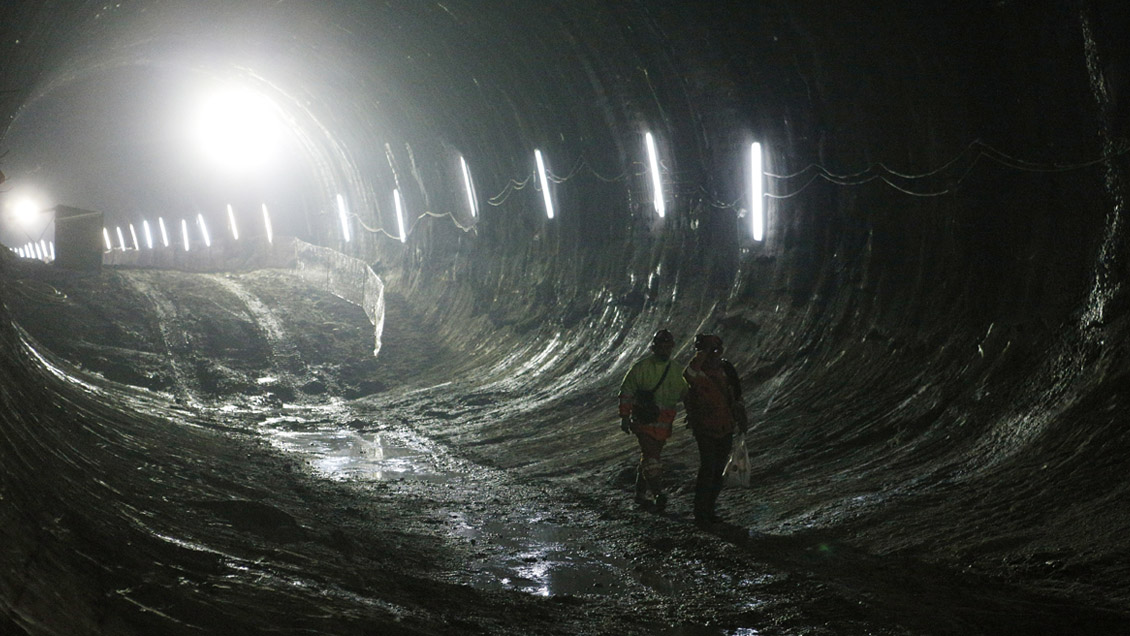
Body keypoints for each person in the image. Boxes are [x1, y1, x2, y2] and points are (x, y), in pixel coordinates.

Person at [618, 329, 688, 510]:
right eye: (661, 346)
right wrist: (625, 417)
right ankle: (658, 494)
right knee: (652, 459)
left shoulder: (677, 371)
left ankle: (639, 494)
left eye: (667, 346)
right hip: (643, 422)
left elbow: (688, 395)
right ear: (654, 347)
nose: (665, 350)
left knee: (650, 458)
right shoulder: (641, 368)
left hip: (664, 425)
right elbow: (626, 392)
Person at [683, 333, 746, 526]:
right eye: (711, 349)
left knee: (718, 470)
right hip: (704, 427)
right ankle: (701, 512)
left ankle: (709, 510)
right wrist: (703, 353)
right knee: (708, 468)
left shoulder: (726, 369)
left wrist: (741, 419)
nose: (715, 353)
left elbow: (736, 396)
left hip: (725, 425)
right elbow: (688, 374)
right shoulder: (698, 371)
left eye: (716, 349)